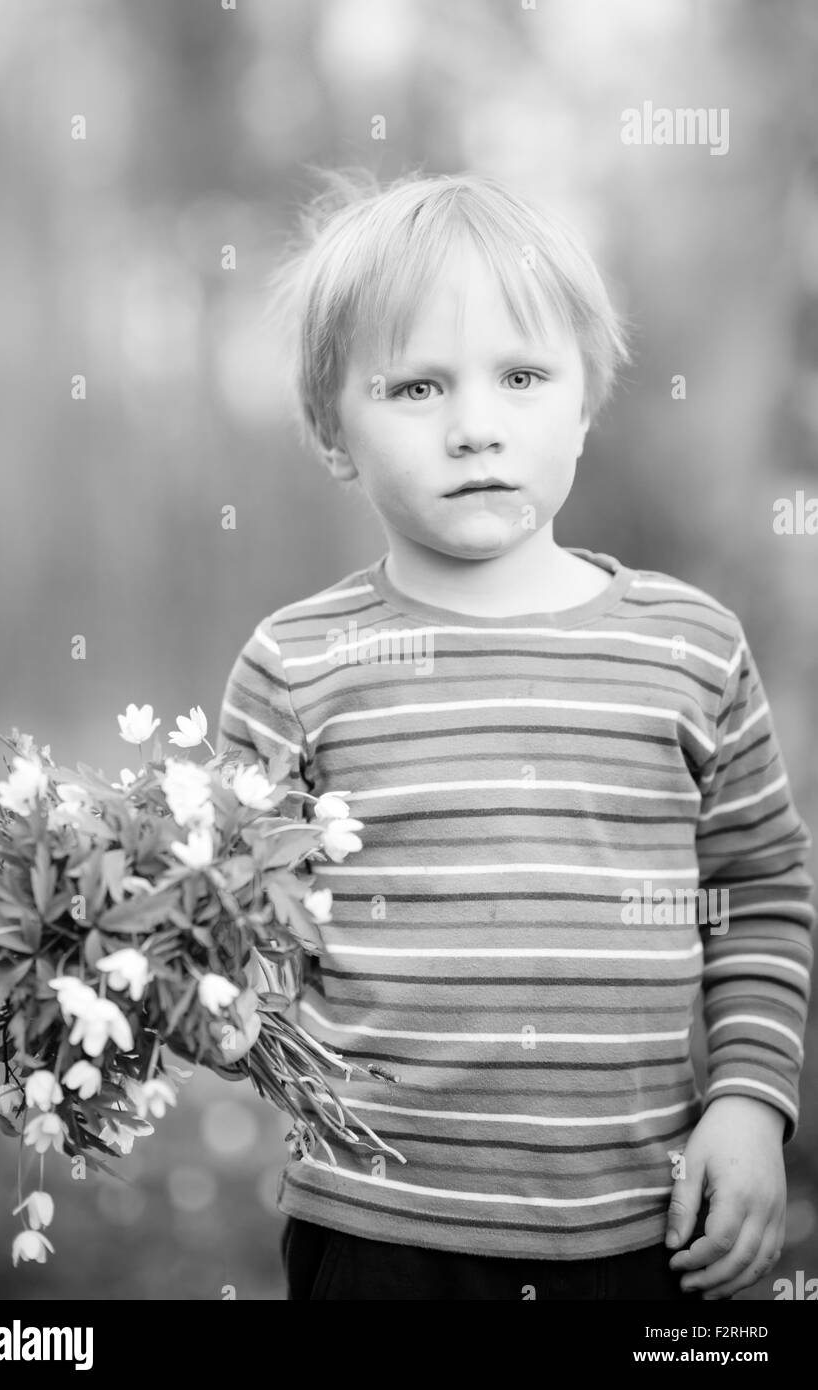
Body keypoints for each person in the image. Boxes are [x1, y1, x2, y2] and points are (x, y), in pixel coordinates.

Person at [214, 169, 814, 1301]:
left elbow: (756, 887)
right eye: (415, 387)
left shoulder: (689, 649)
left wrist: (747, 1100)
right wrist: (209, 993)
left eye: (524, 377)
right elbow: (239, 925)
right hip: (378, 1232)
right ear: (333, 433)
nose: (476, 427)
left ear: (584, 404)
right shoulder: (297, 666)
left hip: (640, 1229)